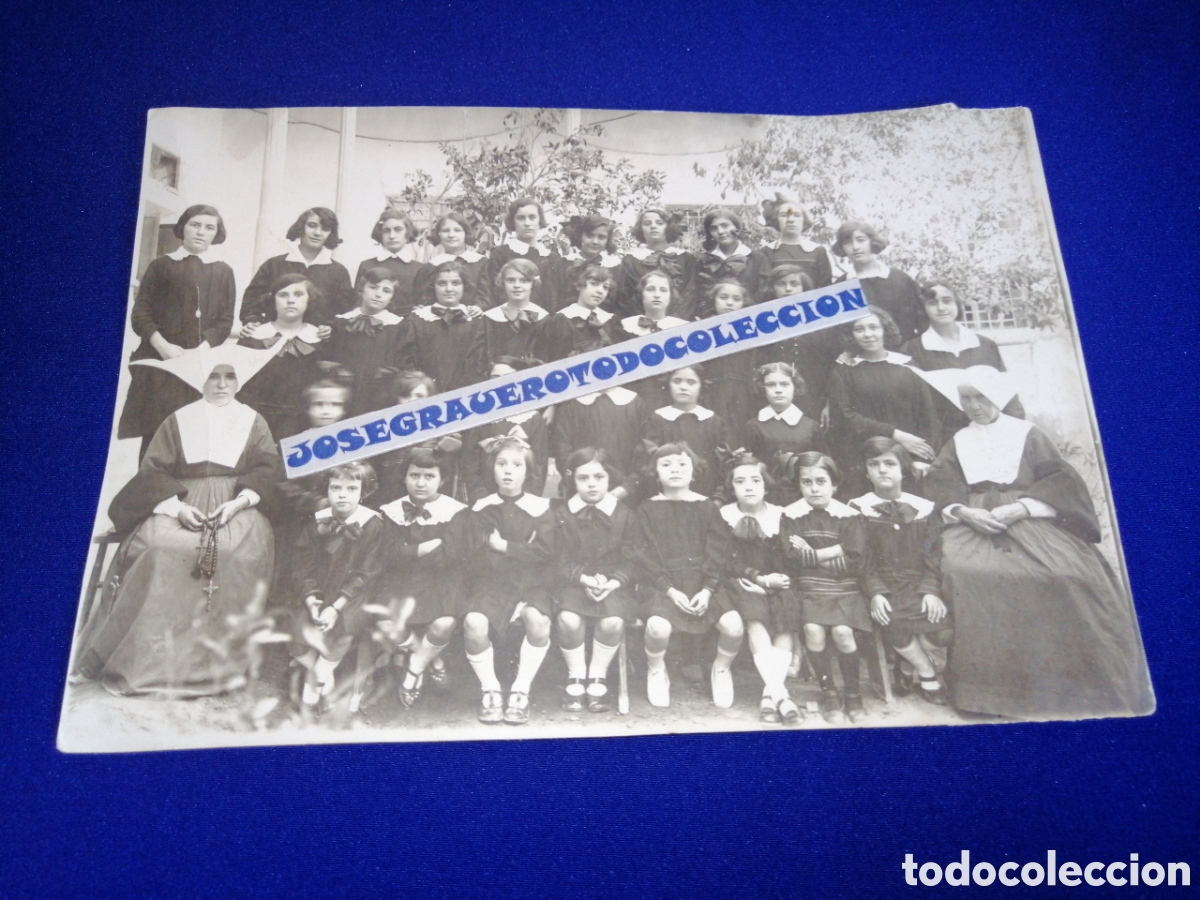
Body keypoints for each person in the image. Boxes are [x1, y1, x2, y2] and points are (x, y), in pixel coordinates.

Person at [923, 368, 1153, 719]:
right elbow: (940, 483)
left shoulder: (1028, 433)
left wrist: (1022, 507)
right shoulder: (957, 440)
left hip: (1028, 516)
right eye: (966, 398)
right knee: (964, 571)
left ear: (996, 397)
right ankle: (988, 696)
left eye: (980, 397)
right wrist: (965, 512)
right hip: (974, 520)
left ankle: (1077, 687)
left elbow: (1060, 479)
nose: (973, 405)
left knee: (1067, 576)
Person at [74, 345, 280, 696]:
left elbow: (266, 468)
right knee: (158, 547)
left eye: (229, 376)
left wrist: (239, 503)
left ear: (239, 381)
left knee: (237, 553)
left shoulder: (254, 420)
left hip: (234, 504)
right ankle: (143, 662)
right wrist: (176, 508)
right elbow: (153, 470)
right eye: (213, 376)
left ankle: (211, 667)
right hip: (182, 499)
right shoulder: (179, 418)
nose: (221, 384)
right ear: (200, 380)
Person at [627, 443, 743, 708]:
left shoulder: (707, 508)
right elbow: (642, 556)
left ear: (694, 472)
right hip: (662, 585)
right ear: (655, 473)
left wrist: (708, 589)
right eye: (666, 465)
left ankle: (722, 668)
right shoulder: (647, 509)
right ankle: (656, 669)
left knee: (734, 626)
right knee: (658, 627)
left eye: (682, 464)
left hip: (703, 583)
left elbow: (718, 552)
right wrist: (669, 589)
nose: (675, 470)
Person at [117, 204, 236, 460]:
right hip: (160, 363)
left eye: (209, 227)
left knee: (191, 434)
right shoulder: (161, 265)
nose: (201, 232)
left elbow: (225, 321)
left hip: (198, 366)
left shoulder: (222, 270)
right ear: (183, 227)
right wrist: (163, 346)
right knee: (156, 433)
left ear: (216, 233)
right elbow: (141, 313)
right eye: (195, 225)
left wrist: (201, 350)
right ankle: (150, 495)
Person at [460, 438, 556, 724]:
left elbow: (547, 553)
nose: (508, 471)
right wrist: (525, 548)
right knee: (474, 622)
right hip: (492, 583)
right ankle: (489, 688)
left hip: (531, 584)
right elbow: (475, 553)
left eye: (516, 465)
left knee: (539, 621)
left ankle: (520, 689)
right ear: (493, 469)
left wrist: (504, 547)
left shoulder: (540, 508)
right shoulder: (481, 508)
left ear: (528, 471)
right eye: (501, 464)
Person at [853, 437, 953, 706]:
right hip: (881, 584)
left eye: (889, 463)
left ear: (903, 469)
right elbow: (862, 560)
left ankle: (906, 666)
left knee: (943, 632)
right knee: (891, 618)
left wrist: (930, 591)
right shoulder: (858, 508)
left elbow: (933, 555)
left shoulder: (923, 508)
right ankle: (926, 673)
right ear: (866, 471)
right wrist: (875, 592)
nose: (882, 470)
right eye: (874, 464)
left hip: (918, 583)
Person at [538, 448, 635, 713]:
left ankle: (598, 674)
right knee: (568, 619)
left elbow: (635, 558)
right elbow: (556, 559)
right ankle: (576, 674)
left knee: (613, 620)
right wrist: (584, 579)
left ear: (609, 478)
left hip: (613, 584)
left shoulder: (625, 514)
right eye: (583, 478)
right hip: (574, 582)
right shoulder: (561, 514)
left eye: (598, 477)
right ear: (573, 480)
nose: (591, 483)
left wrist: (613, 582)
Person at [782, 452, 872, 724]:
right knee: (813, 631)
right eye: (806, 482)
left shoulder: (849, 515)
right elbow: (791, 557)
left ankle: (853, 694)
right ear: (799, 485)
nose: (814, 488)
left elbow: (855, 556)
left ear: (834, 485)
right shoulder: (792, 514)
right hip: (809, 588)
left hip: (844, 588)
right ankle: (829, 691)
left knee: (844, 633)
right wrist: (837, 551)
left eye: (821, 481)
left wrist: (814, 554)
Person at [376, 448, 469, 708]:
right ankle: (432, 660)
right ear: (404, 478)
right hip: (402, 579)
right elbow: (387, 554)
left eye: (429, 476)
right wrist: (422, 548)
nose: (420, 482)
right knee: (386, 622)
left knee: (444, 622)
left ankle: (415, 668)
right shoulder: (392, 511)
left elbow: (451, 555)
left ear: (443, 479)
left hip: (442, 579)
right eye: (414, 475)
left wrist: (406, 552)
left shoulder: (455, 511)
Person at [289, 462, 385, 710]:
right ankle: (325, 675)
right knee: (296, 636)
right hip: (319, 590)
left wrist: (336, 607)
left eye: (352, 489)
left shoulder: (372, 524)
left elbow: (368, 572)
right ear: (327, 490)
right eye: (336, 488)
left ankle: (316, 682)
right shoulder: (318, 522)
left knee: (345, 628)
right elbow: (303, 566)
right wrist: (312, 601)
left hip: (353, 594)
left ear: (362, 492)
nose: (343, 495)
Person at [717, 455, 802, 724]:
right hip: (739, 582)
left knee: (785, 611)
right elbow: (726, 561)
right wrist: (759, 580)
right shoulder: (724, 515)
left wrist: (771, 583)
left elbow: (787, 559)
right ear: (732, 487)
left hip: (776, 581)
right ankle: (781, 695)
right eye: (740, 482)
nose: (749, 487)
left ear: (766, 486)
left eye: (755, 481)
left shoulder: (780, 515)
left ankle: (770, 694)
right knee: (754, 616)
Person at [826, 307, 940, 498]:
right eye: (859, 329)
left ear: (884, 330)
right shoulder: (844, 371)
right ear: (851, 335)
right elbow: (845, 417)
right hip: (863, 459)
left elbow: (928, 415)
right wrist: (895, 435)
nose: (868, 334)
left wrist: (922, 458)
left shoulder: (907, 365)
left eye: (873, 327)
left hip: (908, 459)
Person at [901, 281, 1024, 438]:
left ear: (957, 304)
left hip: (992, 432)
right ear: (923, 309)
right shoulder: (912, 350)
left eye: (947, 301)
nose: (941, 308)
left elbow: (1006, 395)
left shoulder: (985, 345)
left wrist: (1016, 430)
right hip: (945, 438)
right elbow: (913, 405)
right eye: (933, 303)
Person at [236, 273, 330, 442]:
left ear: (310, 300)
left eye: (298, 295)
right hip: (259, 420)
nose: (291, 300)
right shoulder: (254, 337)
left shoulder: (318, 339)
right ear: (273, 301)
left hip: (304, 424)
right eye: (283, 295)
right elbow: (240, 385)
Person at [240, 207, 353, 324]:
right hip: (275, 338)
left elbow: (345, 312)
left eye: (325, 229)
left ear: (330, 234)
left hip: (318, 339)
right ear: (301, 227)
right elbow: (251, 303)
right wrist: (252, 321)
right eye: (312, 226)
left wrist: (330, 328)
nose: (317, 233)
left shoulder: (338, 272)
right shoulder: (274, 265)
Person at [754, 264, 837, 422]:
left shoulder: (821, 325)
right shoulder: (764, 324)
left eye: (794, 284)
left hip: (813, 397)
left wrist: (829, 403)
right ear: (773, 289)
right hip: (774, 397)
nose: (788, 289)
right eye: (781, 284)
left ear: (804, 288)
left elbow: (831, 366)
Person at [462, 357, 550, 501]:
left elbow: (538, 468)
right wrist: (482, 499)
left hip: (522, 500)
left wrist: (525, 501)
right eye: (495, 377)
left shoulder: (532, 418)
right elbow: (470, 464)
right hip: (485, 497)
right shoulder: (479, 416)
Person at [743, 362, 826, 506]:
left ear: (795, 387)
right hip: (765, 497)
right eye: (771, 385)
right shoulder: (754, 426)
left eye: (784, 384)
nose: (778, 390)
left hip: (803, 497)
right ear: (763, 389)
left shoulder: (810, 426)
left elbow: (822, 466)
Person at [642, 364, 730, 501]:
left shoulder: (713, 421)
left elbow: (723, 462)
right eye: (677, 381)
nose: (683, 387)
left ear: (701, 386)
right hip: (667, 496)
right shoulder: (657, 420)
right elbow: (650, 459)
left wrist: (718, 497)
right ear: (668, 384)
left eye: (691, 382)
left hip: (706, 495)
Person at [324, 267, 404, 415]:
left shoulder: (398, 326)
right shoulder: (341, 322)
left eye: (386, 291)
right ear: (361, 289)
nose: (378, 294)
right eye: (373, 288)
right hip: (345, 395)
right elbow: (330, 358)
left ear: (392, 297)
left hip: (380, 397)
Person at [396, 260, 481, 394]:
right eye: (442, 283)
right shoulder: (418, 319)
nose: (449, 289)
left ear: (465, 286)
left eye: (456, 283)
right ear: (433, 286)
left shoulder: (475, 321)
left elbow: (478, 364)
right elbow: (407, 361)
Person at [608, 270, 689, 409]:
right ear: (641, 295)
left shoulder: (683, 327)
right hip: (633, 393)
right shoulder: (625, 326)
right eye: (650, 289)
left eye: (663, 290)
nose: (657, 294)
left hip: (669, 396)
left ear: (671, 296)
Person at [552, 385, 646, 503]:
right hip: (581, 490)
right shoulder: (572, 404)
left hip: (624, 493)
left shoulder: (635, 402)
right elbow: (562, 449)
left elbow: (644, 451)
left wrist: (627, 487)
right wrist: (579, 481)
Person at [832, 221, 922, 343]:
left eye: (861, 240)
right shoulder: (841, 285)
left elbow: (923, 321)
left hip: (903, 355)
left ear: (872, 242)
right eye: (848, 242)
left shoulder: (900, 279)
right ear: (841, 247)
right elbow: (837, 332)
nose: (855, 247)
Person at [745, 192, 837, 299]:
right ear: (776, 220)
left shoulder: (817, 251)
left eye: (796, 215)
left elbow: (825, 288)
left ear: (804, 220)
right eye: (784, 215)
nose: (790, 220)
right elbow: (761, 289)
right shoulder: (766, 251)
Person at [470, 258, 549, 376]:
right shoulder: (490, 318)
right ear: (503, 282)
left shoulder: (544, 318)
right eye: (511, 280)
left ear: (533, 283)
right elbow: (478, 360)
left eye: (523, 281)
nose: (517, 285)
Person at [697, 279, 759, 431]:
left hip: (741, 393)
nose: (729, 303)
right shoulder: (702, 328)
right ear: (714, 300)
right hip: (712, 392)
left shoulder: (750, 330)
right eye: (723, 298)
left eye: (736, 299)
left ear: (744, 303)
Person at [614, 207, 695, 318]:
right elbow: (625, 297)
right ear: (640, 229)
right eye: (647, 223)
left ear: (668, 227)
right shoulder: (631, 260)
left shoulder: (686, 258)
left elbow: (690, 294)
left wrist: (674, 322)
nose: (653, 226)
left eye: (659, 223)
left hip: (679, 323)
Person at [480, 197, 558, 309]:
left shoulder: (552, 258)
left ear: (539, 220)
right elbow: (492, 292)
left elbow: (554, 297)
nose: (527, 223)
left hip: (544, 321)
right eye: (521, 218)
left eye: (532, 217)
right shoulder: (500, 254)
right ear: (513, 222)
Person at [532, 264, 615, 362]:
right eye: (594, 284)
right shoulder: (559, 321)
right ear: (578, 285)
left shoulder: (611, 321)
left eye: (605, 287)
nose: (600, 291)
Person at [544, 214, 623, 312]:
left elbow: (617, 303)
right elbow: (553, 299)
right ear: (580, 236)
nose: (595, 241)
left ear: (607, 240)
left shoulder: (614, 266)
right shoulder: (562, 264)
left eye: (601, 237)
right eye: (589, 236)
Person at [355, 207, 423, 316]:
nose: (392, 236)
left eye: (398, 229)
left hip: (406, 328)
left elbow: (421, 305)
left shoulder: (418, 269)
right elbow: (358, 303)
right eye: (387, 230)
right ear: (380, 234)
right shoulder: (367, 265)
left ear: (408, 233)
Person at [689, 208, 754, 319]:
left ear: (737, 228)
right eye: (714, 228)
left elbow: (760, 293)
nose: (720, 231)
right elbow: (698, 294)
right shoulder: (704, 261)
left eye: (725, 226)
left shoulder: (755, 258)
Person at [413, 212, 488, 306]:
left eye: (457, 230)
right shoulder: (429, 268)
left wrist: (479, 307)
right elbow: (423, 299)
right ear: (439, 234)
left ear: (465, 233)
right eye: (445, 230)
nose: (451, 235)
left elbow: (488, 296)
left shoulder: (482, 263)